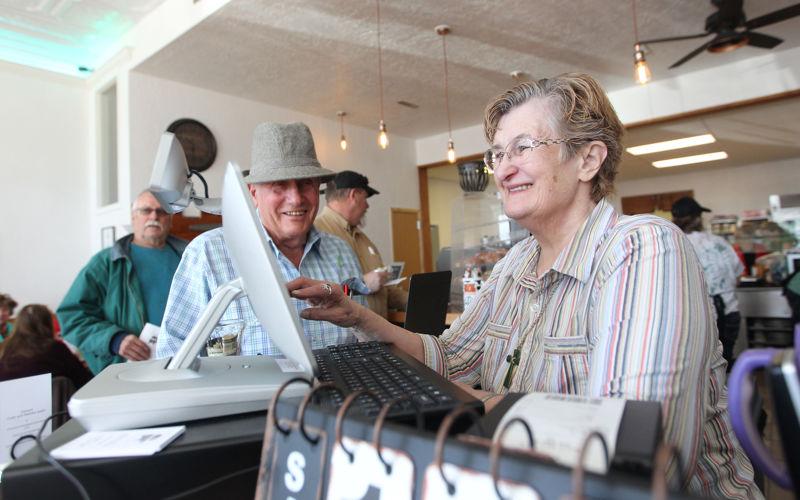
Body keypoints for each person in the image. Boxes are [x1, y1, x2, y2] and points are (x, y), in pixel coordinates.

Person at [288, 74, 760, 498]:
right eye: (498, 153)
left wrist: (477, 401)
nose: (503, 168)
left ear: (588, 159)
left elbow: (627, 451)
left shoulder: (643, 249)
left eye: (523, 146)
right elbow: (451, 357)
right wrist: (361, 317)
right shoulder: (517, 262)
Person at [156, 122, 367, 358]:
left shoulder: (341, 251)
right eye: (279, 185)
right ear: (253, 193)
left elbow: (365, 333)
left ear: (318, 188)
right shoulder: (207, 254)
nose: (296, 199)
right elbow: (171, 355)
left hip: (344, 393)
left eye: (305, 183)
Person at [57, 191, 187, 374]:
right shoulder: (106, 264)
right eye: (146, 210)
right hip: (127, 373)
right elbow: (71, 317)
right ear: (133, 217)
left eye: (162, 211)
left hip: (185, 365)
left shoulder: (190, 258)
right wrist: (114, 339)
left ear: (170, 218)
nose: (154, 216)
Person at [316, 170, 407, 318]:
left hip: (378, 335)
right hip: (349, 338)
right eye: (365, 198)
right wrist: (362, 283)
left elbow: (384, 290)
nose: (367, 206)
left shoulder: (363, 238)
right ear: (353, 195)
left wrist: (417, 300)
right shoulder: (317, 233)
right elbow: (317, 290)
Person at [672, 196, 744, 367]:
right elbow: (739, 275)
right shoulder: (719, 242)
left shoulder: (675, 243)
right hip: (730, 310)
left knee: (704, 366)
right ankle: (731, 392)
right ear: (698, 218)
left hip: (699, 315)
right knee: (727, 360)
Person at [0, 304, 93, 389]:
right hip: (53, 404)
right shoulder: (54, 348)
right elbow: (84, 380)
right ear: (48, 323)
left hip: (11, 404)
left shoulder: (5, 348)